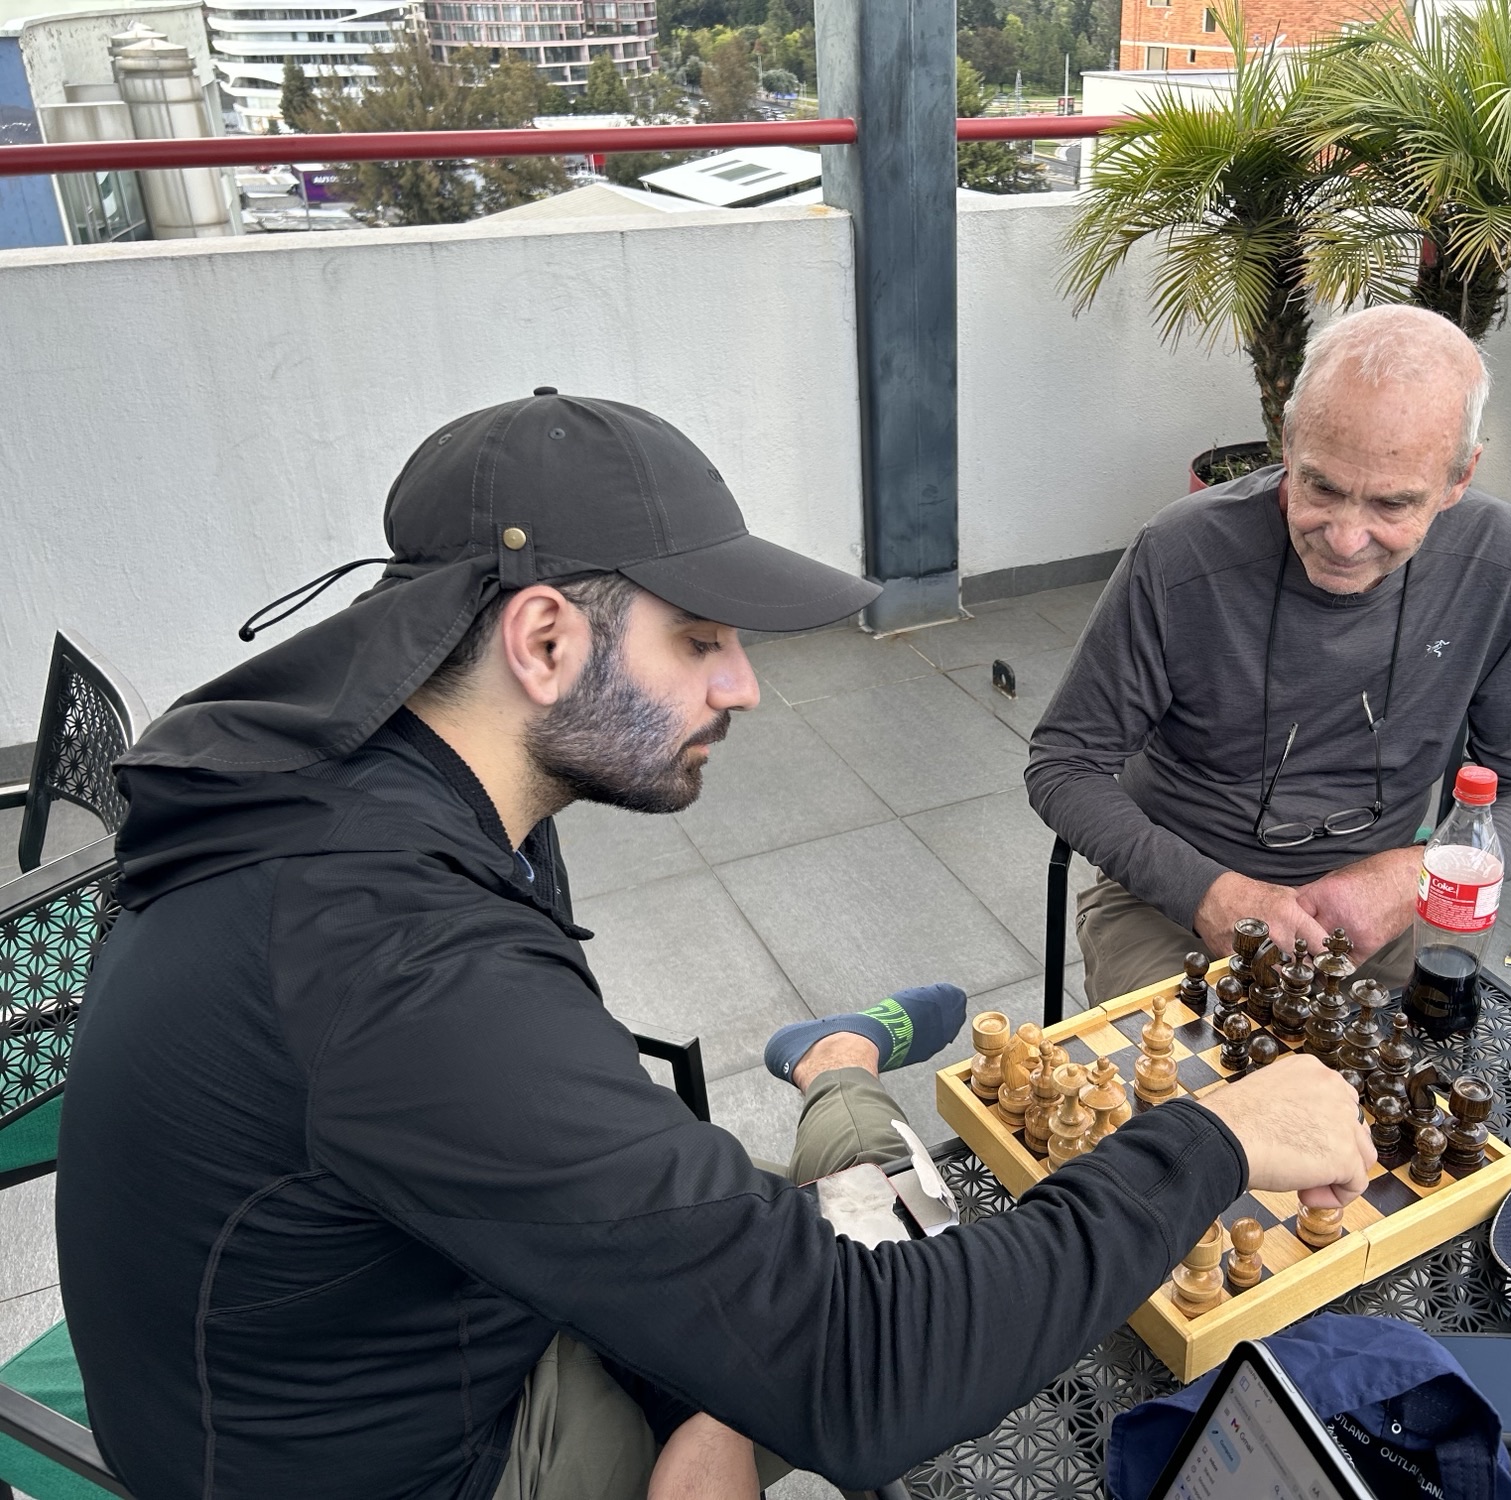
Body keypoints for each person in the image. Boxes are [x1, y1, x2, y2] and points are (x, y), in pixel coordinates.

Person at [55, 389, 1378, 1500]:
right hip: (374, 1462)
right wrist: (1213, 1139)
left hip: (385, 1304)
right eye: (699, 640)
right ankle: (838, 1081)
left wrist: (692, 1388)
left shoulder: (410, 779)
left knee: (804, 1257)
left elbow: (516, 1142)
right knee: (883, 1286)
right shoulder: (392, 958)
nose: (742, 684)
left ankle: (833, 1080)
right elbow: (872, 1375)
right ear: (543, 636)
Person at [1027, 307, 1511, 1005]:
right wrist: (1206, 892)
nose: (1347, 539)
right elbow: (1063, 763)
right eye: (1321, 487)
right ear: (1288, 441)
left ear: (1459, 477)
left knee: (1415, 1104)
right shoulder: (1180, 553)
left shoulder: (1506, 562)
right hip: (1175, 905)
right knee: (1203, 1107)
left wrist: (1415, 875)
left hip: (1381, 913)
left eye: (1393, 505)